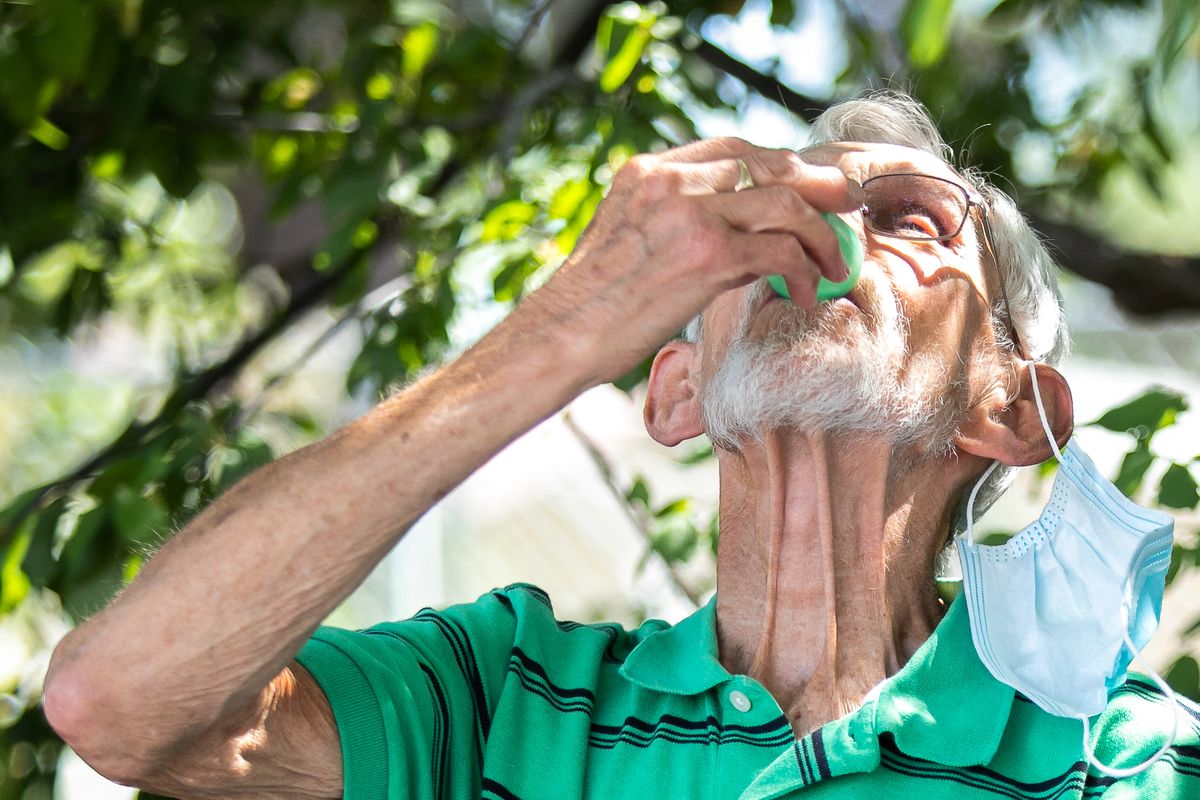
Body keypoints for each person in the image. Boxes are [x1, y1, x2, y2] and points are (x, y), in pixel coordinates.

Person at [42, 92, 1198, 799]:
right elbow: (119, 702)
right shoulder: (504, 696)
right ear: (675, 390)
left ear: (1005, 410)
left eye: (905, 217)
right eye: (781, 206)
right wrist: (575, 315)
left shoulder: (1123, 757)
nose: (828, 229)